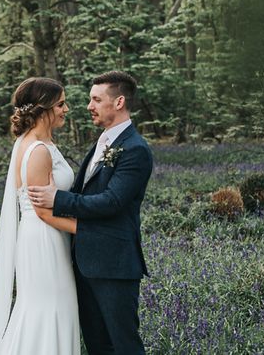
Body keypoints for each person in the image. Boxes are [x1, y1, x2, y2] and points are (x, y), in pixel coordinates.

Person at [28, 71, 153, 355]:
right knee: (98, 346)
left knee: (124, 345)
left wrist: (58, 198)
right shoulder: (102, 142)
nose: (89, 106)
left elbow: (112, 202)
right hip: (84, 261)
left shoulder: (135, 149)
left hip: (114, 265)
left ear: (119, 102)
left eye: (96, 99)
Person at [0, 77, 80, 355]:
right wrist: (86, 229)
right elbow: (43, 212)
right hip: (43, 239)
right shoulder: (36, 150)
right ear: (43, 108)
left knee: (49, 309)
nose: (66, 109)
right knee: (49, 310)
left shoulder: (38, 143)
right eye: (61, 104)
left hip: (47, 236)